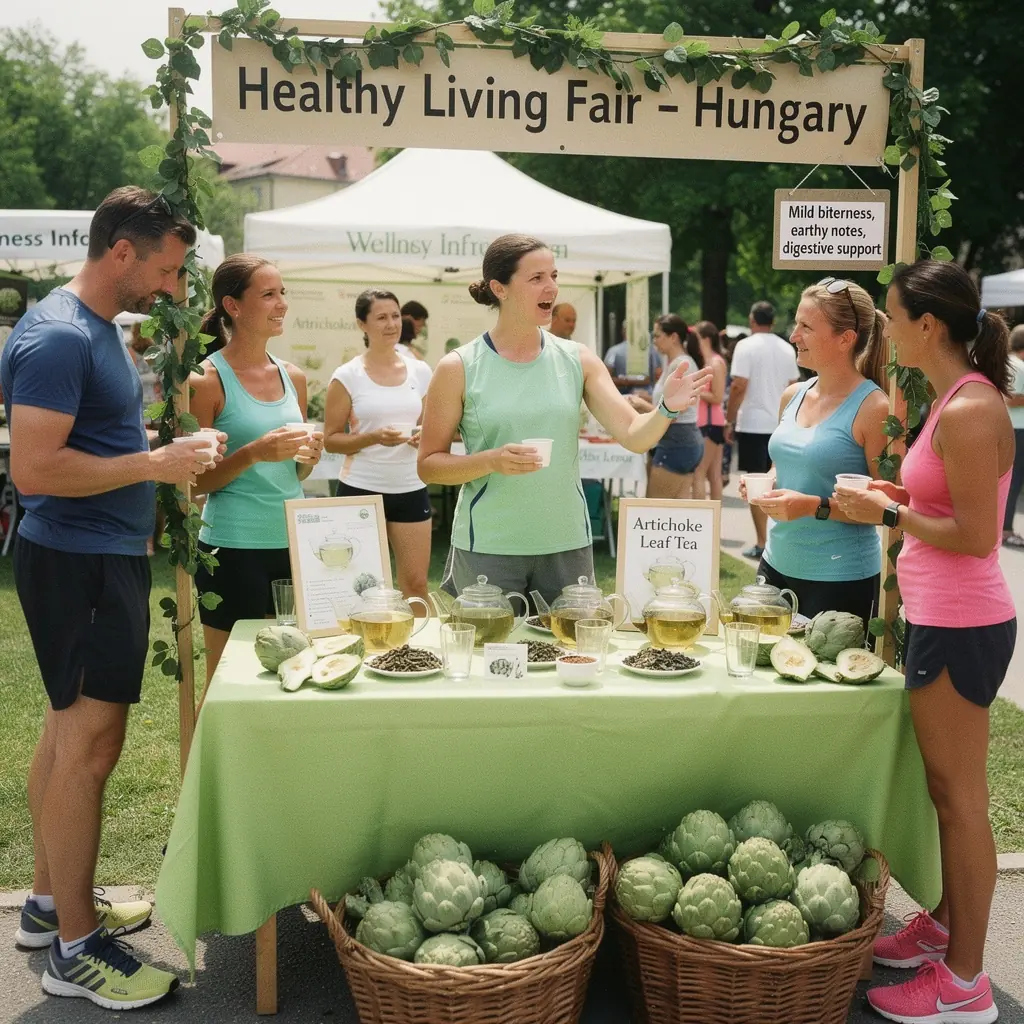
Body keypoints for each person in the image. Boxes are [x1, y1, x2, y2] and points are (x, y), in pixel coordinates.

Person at [0, 185, 216, 1008]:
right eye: (164, 269)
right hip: (81, 564)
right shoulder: (60, 337)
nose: (169, 288)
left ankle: (52, 907)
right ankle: (75, 951)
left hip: (97, 558)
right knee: (89, 748)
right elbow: (35, 469)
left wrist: (162, 450)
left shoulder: (86, 328)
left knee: (65, 735)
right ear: (121, 250)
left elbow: (85, 444)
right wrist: (153, 467)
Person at [835, 260, 1015, 1024]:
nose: (887, 328)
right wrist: (896, 497)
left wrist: (886, 516)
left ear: (928, 326)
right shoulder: (956, 401)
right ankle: (945, 928)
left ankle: (966, 982)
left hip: (964, 622)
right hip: (946, 619)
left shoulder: (971, 408)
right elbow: (949, 500)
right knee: (947, 794)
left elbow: (976, 538)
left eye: (894, 316)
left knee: (961, 801)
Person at [417, 234, 712, 602]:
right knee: (489, 654)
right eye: (537, 278)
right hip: (489, 543)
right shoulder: (458, 367)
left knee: (571, 655)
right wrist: (491, 461)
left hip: (566, 543)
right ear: (499, 288)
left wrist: (666, 408)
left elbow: (635, 436)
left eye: (554, 275)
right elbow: (429, 465)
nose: (552, 287)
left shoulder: (578, 358)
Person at [190, 254, 324, 686]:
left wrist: (308, 459)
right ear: (233, 305)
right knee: (227, 677)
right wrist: (253, 453)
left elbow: (294, 476)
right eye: (268, 294)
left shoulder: (294, 377)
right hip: (231, 548)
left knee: (292, 670)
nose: (281, 302)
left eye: (282, 292)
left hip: (291, 542)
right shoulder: (207, 380)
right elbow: (196, 482)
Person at [741, 279, 889, 623]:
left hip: (840, 577)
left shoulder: (873, 407)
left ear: (845, 339)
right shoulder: (791, 395)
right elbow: (785, 468)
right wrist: (766, 483)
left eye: (806, 327)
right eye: (796, 324)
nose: (793, 335)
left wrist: (810, 506)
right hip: (775, 563)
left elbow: (886, 508)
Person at [325, 289, 434, 606]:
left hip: (411, 488)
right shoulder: (347, 376)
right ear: (362, 324)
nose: (391, 324)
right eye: (381, 317)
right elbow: (331, 439)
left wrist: (421, 435)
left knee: (415, 585)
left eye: (396, 315)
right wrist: (373, 437)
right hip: (361, 489)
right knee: (361, 590)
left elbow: (431, 428)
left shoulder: (420, 371)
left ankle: (416, 654)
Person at [725, 301, 800, 559]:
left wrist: (729, 418)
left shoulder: (745, 346)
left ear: (751, 320)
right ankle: (777, 541)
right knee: (782, 483)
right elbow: (794, 385)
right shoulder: (786, 347)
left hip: (754, 423)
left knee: (757, 486)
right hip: (782, 423)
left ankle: (761, 542)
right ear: (773, 321)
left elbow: (739, 385)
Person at [627, 317, 705, 499]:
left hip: (676, 441)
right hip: (680, 441)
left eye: (657, 335)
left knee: (655, 511)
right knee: (675, 515)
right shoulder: (676, 363)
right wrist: (646, 399)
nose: (654, 341)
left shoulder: (681, 364)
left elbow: (675, 411)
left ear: (674, 337)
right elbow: (669, 403)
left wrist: (640, 404)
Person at [691, 320, 728, 501]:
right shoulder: (707, 361)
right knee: (713, 474)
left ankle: (701, 520)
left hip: (710, 423)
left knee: (699, 472)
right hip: (709, 422)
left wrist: (695, 389)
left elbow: (717, 396)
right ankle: (714, 521)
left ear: (705, 338)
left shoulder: (715, 362)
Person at [1001, 324, 1024, 548]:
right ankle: (1006, 530)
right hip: (1018, 429)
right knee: (1013, 481)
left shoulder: (1007, 362)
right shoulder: (1019, 366)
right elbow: (1012, 398)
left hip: (1007, 428)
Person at [604, 330, 663, 394]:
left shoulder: (614, 350)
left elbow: (606, 376)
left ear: (623, 333)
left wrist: (624, 381)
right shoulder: (650, 349)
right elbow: (658, 374)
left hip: (621, 395)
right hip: (646, 395)